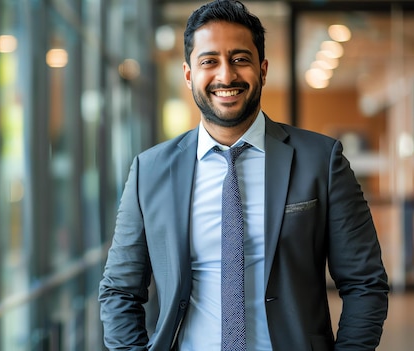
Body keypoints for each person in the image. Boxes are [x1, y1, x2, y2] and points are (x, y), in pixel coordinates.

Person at [98, 0, 390, 350]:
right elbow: (119, 290)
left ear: (262, 69)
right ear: (189, 74)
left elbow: (364, 283)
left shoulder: (321, 161)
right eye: (209, 61)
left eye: (240, 59)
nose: (226, 76)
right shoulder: (151, 170)